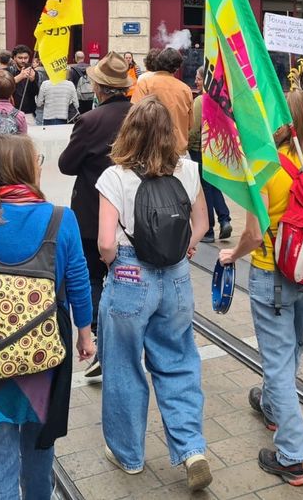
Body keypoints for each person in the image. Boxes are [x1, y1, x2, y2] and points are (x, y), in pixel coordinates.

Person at [0, 135, 94, 500]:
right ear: (29, 169)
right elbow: (78, 282)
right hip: (45, 356)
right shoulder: (62, 219)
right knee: (39, 454)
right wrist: (85, 334)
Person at [217, 90, 303, 486]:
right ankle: (271, 405)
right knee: (293, 347)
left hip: (273, 273)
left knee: (277, 362)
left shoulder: (265, 166)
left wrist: (233, 254)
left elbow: (254, 233)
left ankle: (291, 454)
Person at [96, 97, 212, 490]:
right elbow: (202, 223)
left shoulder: (115, 177)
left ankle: (128, 455)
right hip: (176, 278)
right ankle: (192, 449)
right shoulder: (189, 170)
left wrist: (113, 264)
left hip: (129, 274)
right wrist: (185, 247)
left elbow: (106, 242)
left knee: (123, 366)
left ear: (130, 131)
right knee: (179, 361)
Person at [57, 52, 133, 381]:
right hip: (134, 212)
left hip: (93, 210)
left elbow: (66, 164)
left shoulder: (90, 121)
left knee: (92, 276)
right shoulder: (140, 114)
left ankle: (102, 341)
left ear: (100, 87)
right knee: (127, 273)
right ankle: (126, 338)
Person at [188, 66, 232, 243]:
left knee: (204, 189)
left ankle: (208, 230)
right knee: (214, 185)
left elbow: (194, 129)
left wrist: (187, 144)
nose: (196, 81)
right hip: (217, 148)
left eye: (199, 78)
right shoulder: (222, 100)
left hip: (200, 150)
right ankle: (225, 219)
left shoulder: (200, 100)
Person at [130, 47, 193, 154]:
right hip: (177, 148)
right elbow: (190, 124)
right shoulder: (185, 89)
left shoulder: (145, 84)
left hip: (150, 148)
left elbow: (134, 116)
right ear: (177, 68)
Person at [11, 44, 40, 123]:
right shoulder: (9, 71)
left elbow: (36, 93)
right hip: (12, 112)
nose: (23, 60)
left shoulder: (33, 72)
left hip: (28, 113)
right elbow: (4, 87)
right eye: (20, 58)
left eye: (25, 58)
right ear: (14, 58)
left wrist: (32, 80)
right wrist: (19, 77)